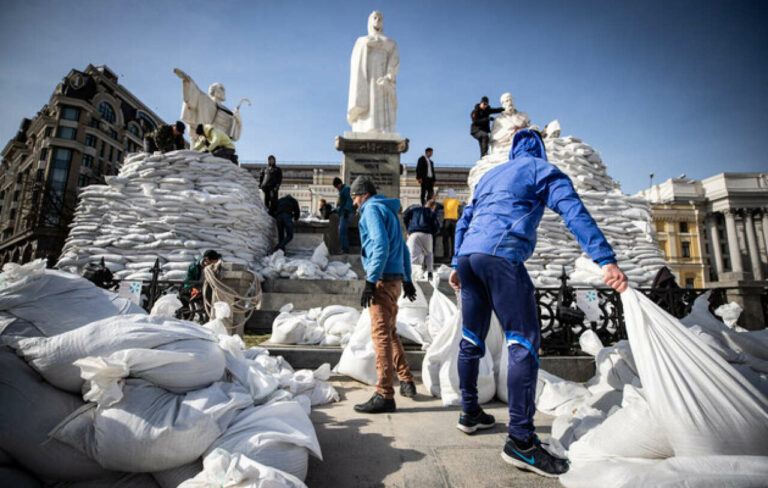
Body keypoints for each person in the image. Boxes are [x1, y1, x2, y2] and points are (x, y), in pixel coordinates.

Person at [449, 129, 628, 478]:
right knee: (523, 341)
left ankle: (469, 412)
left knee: (471, 338)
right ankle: (521, 442)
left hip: (470, 257)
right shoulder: (542, 171)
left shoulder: (489, 176)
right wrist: (605, 259)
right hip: (501, 256)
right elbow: (574, 213)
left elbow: (464, 219)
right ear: (540, 151)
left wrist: (457, 262)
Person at [350, 176, 418, 413]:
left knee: (380, 335)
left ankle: (384, 393)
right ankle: (407, 380)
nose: (354, 203)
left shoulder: (370, 210)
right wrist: (407, 279)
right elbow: (402, 249)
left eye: (355, 197)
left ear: (364, 195)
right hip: (396, 278)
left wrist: (370, 280)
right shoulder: (390, 212)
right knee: (390, 332)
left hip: (382, 279)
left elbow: (381, 246)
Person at [403, 200, 440, 280]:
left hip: (414, 234)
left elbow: (405, 216)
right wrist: (432, 233)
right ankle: (430, 272)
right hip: (427, 234)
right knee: (429, 254)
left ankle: (411, 274)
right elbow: (436, 226)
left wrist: (408, 229)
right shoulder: (431, 212)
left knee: (413, 255)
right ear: (433, 207)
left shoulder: (415, 210)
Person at [333, 177, 354, 254]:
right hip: (343, 213)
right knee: (342, 232)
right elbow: (341, 205)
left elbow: (349, 200)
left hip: (346, 214)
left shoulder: (346, 189)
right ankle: (344, 248)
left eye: (336, 186)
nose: (336, 188)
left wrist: (346, 210)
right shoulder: (342, 190)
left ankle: (345, 249)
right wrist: (335, 210)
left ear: (339, 184)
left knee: (342, 231)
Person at [442, 188, 461, 261]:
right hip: (454, 221)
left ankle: (446, 255)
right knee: (454, 239)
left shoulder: (445, 200)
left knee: (445, 239)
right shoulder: (456, 201)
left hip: (446, 221)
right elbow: (459, 207)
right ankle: (453, 255)